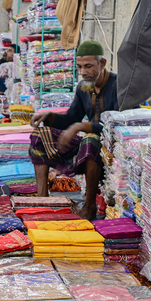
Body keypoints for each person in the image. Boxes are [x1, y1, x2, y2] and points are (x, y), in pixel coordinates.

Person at [28, 40, 118, 219]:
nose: (83, 72)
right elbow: (71, 118)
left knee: (91, 139)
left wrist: (79, 127)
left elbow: (116, 126)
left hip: (113, 148)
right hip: (89, 147)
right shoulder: (84, 86)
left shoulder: (119, 85)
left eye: (88, 66)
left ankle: (89, 205)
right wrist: (49, 116)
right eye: (80, 67)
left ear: (102, 63)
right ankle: (43, 198)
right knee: (39, 134)